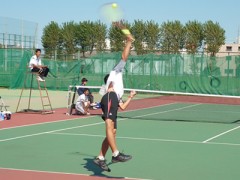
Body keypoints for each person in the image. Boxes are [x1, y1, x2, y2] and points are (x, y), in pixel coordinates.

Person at [93, 32, 136, 171]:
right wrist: (129, 42)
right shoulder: (115, 72)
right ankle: (116, 154)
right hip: (109, 98)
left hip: (114, 100)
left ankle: (100, 157)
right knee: (109, 126)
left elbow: (122, 107)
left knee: (114, 131)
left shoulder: (119, 87)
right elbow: (124, 56)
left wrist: (130, 97)